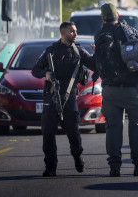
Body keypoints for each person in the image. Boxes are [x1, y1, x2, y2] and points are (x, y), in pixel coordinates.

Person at [92, 3, 138, 178]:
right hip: (133, 88)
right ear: (118, 15)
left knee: (113, 128)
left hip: (110, 90)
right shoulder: (130, 31)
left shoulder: (99, 35)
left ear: (103, 18)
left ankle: (114, 168)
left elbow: (99, 62)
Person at [31, 21, 94, 177]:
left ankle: (77, 156)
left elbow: (94, 64)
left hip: (69, 95)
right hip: (51, 95)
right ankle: (51, 167)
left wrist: (97, 54)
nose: (75, 34)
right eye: (72, 31)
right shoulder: (50, 51)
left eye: (76, 31)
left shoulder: (78, 51)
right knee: (48, 133)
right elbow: (35, 70)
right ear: (63, 32)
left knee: (73, 131)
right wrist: (46, 74)